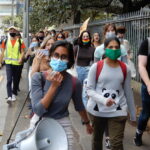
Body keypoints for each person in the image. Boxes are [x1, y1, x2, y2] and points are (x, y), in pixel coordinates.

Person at [31, 40, 93, 150]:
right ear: (50, 56)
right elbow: (39, 110)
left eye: (64, 57)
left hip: (62, 125)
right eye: (56, 55)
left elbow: (79, 106)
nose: (59, 60)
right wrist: (53, 86)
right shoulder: (38, 78)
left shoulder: (74, 82)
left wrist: (87, 123)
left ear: (69, 61)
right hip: (40, 123)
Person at [86, 37, 136, 150]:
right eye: (110, 47)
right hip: (97, 111)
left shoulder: (125, 68)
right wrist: (104, 100)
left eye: (116, 47)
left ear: (120, 50)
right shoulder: (96, 67)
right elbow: (89, 89)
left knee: (116, 143)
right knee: (96, 140)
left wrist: (132, 114)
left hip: (118, 111)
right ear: (105, 49)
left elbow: (128, 91)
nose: (114, 50)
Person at [0, 26, 25, 103]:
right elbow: (3, 52)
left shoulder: (20, 41)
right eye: (10, 31)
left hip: (17, 63)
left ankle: (14, 93)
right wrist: (0, 62)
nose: (12, 32)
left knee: (16, 79)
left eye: (13, 30)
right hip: (8, 63)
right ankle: (9, 96)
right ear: (8, 32)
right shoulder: (5, 41)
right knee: (9, 80)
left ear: (16, 32)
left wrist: (21, 58)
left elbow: (23, 51)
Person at [134, 38, 150, 146]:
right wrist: (149, 84)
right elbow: (141, 65)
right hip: (148, 86)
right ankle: (138, 135)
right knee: (145, 115)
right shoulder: (147, 43)